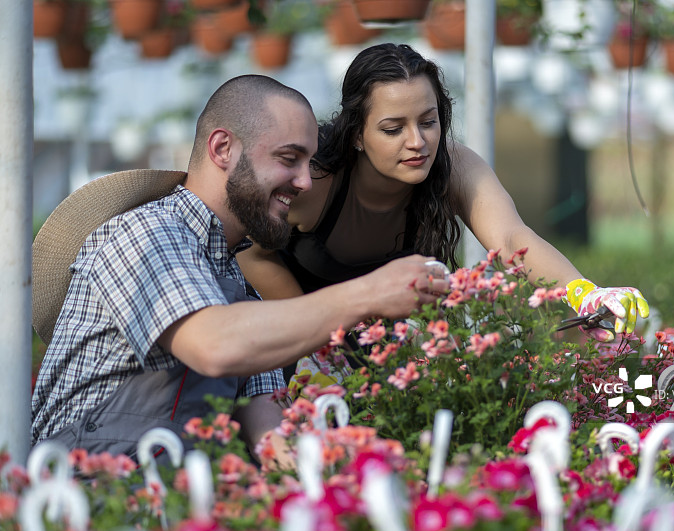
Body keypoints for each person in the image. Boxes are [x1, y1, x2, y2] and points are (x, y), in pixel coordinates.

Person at [30, 74, 449, 459]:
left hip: (168, 495)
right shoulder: (147, 231)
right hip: (78, 491)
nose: (305, 181)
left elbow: (270, 433)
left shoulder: (237, 285)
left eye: (308, 163)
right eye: (289, 158)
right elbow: (215, 345)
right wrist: (370, 293)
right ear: (222, 149)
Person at [236, 43, 650, 384]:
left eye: (428, 122)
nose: (417, 142)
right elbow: (250, 252)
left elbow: (512, 239)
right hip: (292, 356)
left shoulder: (455, 166)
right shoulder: (314, 181)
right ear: (357, 134)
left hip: (395, 359)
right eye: (393, 129)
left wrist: (585, 293)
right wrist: (314, 341)